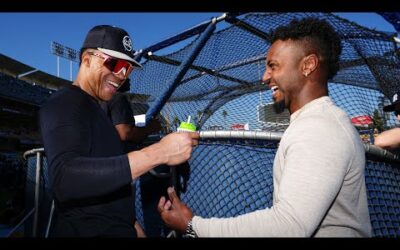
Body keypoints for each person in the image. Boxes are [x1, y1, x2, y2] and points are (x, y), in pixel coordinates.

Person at [158, 17, 372, 237]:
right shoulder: (317, 123)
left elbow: (289, 226)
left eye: (273, 66)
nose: (264, 77)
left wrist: (192, 225)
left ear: (308, 65)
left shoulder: (319, 129)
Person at [39, 25, 199, 237]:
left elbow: (107, 184)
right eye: (114, 63)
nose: (121, 74)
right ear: (87, 60)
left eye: (128, 68)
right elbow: (64, 179)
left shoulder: (98, 110)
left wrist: (133, 226)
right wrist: (159, 152)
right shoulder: (66, 102)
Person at [100, 78, 170, 237]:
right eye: (125, 76)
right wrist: (151, 127)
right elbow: (124, 133)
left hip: (103, 164)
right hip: (119, 166)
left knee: (119, 214)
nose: (129, 79)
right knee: (124, 214)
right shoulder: (118, 97)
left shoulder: (100, 99)